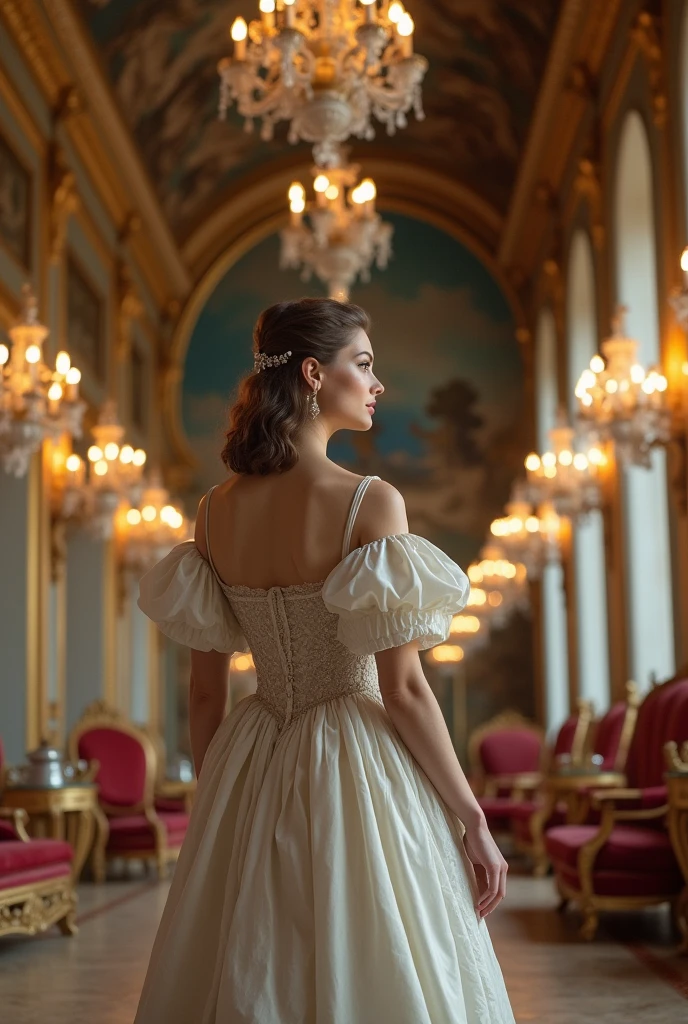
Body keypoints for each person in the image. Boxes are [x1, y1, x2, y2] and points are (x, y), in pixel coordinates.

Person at [134, 298, 515, 1023]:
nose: (377, 384)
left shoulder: (213, 513)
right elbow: (403, 691)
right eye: (363, 364)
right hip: (358, 758)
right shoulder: (371, 503)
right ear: (314, 373)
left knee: (249, 961)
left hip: (253, 753)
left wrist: (220, 803)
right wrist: (473, 819)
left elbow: (206, 695)